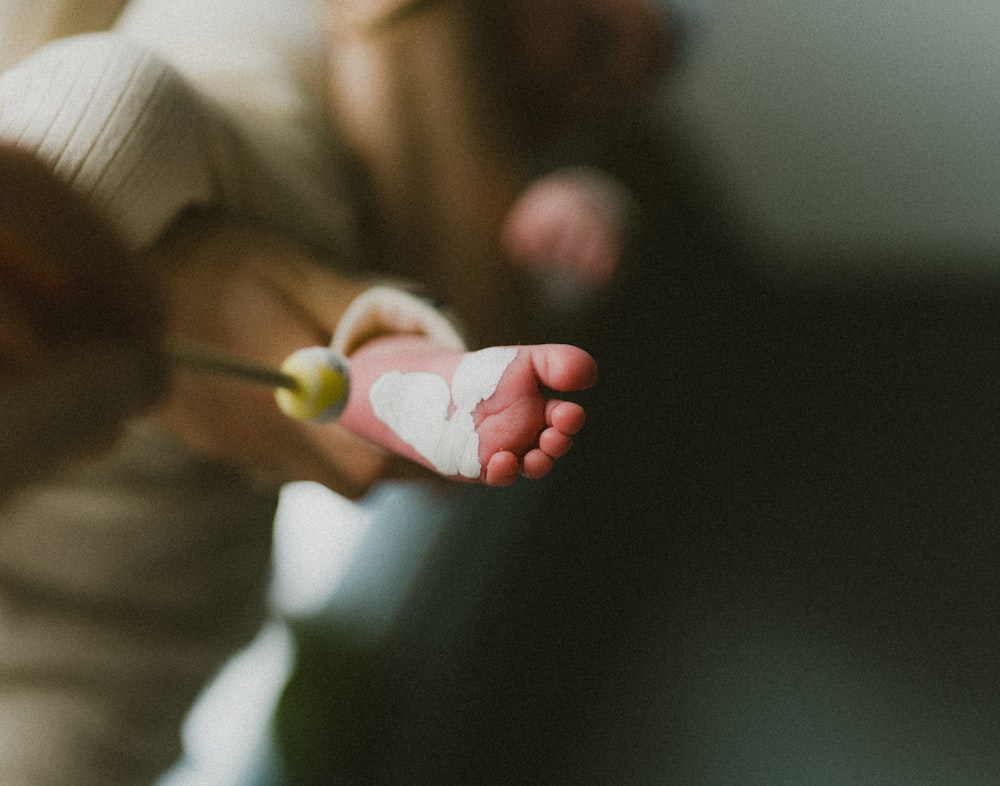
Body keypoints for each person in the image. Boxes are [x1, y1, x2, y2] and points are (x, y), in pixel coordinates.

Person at [0, 0, 608, 781]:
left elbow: (526, 288)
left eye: (612, 81)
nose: (593, 76)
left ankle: (388, 380)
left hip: (143, 570)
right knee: (107, 110)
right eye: (598, 34)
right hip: (163, 195)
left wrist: (580, 213)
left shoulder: (501, 167)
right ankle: (382, 380)